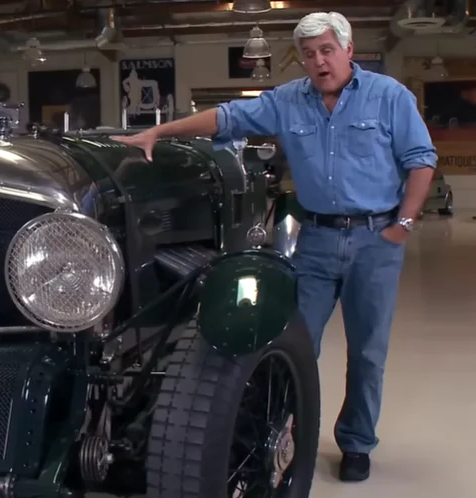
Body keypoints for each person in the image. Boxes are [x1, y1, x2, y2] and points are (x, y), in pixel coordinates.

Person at [112, 11, 437, 483]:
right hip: (318, 241)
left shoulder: (390, 97)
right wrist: (159, 132)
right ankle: (283, 434)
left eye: (327, 50)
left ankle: (357, 444)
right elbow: (226, 118)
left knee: (368, 352)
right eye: (309, 54)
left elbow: (421, 161)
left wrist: (403, 224)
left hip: (375, 240)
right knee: (294, 345)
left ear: (348, 50)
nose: (319, 61)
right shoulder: (288, 101)